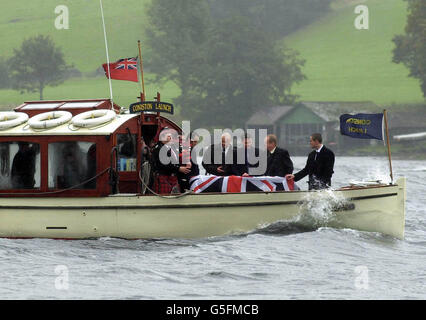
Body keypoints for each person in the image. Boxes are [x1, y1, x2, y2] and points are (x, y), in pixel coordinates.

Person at [151, 129, 191, 194]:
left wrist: (186, 162)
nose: (171, 137)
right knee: (164, 198)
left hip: (172, 177)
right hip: (163, 177)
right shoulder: (159, 148)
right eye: (169, 135)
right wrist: (179, 168)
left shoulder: (170, 147)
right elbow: (164, 164)